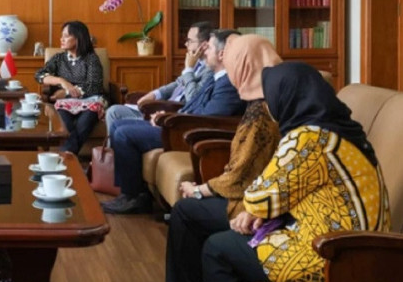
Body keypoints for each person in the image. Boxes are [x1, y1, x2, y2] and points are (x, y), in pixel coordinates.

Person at [197, 61, 390, 282]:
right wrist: (261, 212)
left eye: (270, 97)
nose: (267, 106)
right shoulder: (339, 129)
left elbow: (259, 195)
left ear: (285, 97)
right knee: (232, 242)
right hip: (359, 249)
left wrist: (256, 210)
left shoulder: (309, 139)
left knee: (218, 248)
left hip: (333, 253)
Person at [164, 34, 282, 282]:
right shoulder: (264, 99)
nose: (230, 72)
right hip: (256, 197)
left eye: (234, 65)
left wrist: (202, 189)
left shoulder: (263, 112)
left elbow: (242, 176)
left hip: (255, 205)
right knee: (190, 213)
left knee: (186, 211)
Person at [102, 29, 246, 215]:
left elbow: (208, 120)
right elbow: (192, 105)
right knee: (118, 125)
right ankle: (134, 192)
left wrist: (169, 121)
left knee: (123, 133)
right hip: (179, 126)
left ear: (220, 54)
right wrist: (166, 116)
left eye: (208, 48)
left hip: (185, 135)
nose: (204, 52)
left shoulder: (227, 83)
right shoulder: (217, 76)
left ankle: (133, 197)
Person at [105, 21, 213, 129]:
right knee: (114, 111)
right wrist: (155, 94)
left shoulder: (210, 70)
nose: (186, 44)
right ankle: (112, 146)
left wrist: (188, 69)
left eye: (189, 41)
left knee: (115, 116)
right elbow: (177, 83)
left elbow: (193, 98)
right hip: (161, 107)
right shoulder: (195, 63)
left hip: (171, 115)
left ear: (203, 46)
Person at [35, 20, 105, 155]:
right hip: (64, 103)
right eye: (62, 36)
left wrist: (66, 92)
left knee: (86, 120)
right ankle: (71, 161)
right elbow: (39, 75)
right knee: (65, 125)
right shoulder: (59, 58)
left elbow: (93, 86)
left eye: (66, 36)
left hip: (90, 101)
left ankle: (66, 158)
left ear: (78, 38)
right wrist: (62, 81)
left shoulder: (91, 59)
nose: (62, 39)